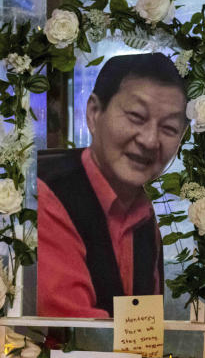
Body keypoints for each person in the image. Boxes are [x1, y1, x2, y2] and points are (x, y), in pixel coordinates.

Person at [37, 53, 187, 317]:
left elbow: (145, 328)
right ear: (94, 114)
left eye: (169, 128)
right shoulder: (48, 196)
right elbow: (78, 334)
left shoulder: (146, 211)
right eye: (136, 116)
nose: (150, 140)